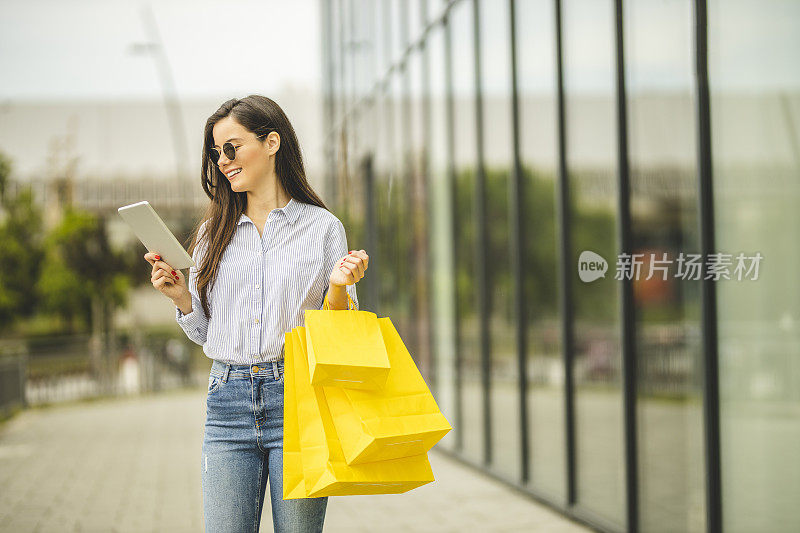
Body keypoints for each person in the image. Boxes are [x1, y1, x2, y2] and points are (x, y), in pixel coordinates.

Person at [144, 95, 368, 532]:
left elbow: (338, 330)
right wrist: (181, 299)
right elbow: (207, 334)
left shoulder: (323, 228)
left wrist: (339, 288)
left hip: (299, 400)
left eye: (232, 147)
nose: (223, 161)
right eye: (216, 152)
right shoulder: (212, 233)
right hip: (227, 402)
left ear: (271, 143)